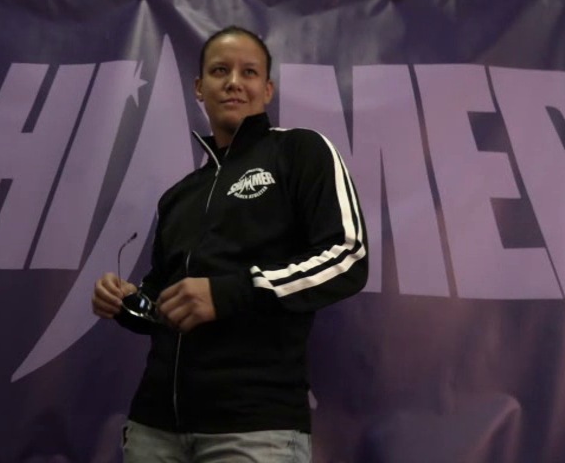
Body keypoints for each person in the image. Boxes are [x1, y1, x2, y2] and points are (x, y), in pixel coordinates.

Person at [92, 26, 368, 462]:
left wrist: (228, 293)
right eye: (220, 71)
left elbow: (348, 256)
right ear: (199, 88)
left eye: (249, 72)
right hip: (153, 429)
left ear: (267, 89)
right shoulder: (180, 195)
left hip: (254, 429)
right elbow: (164, 303)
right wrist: (130, 303)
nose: (234, 82)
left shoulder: (300, 151)